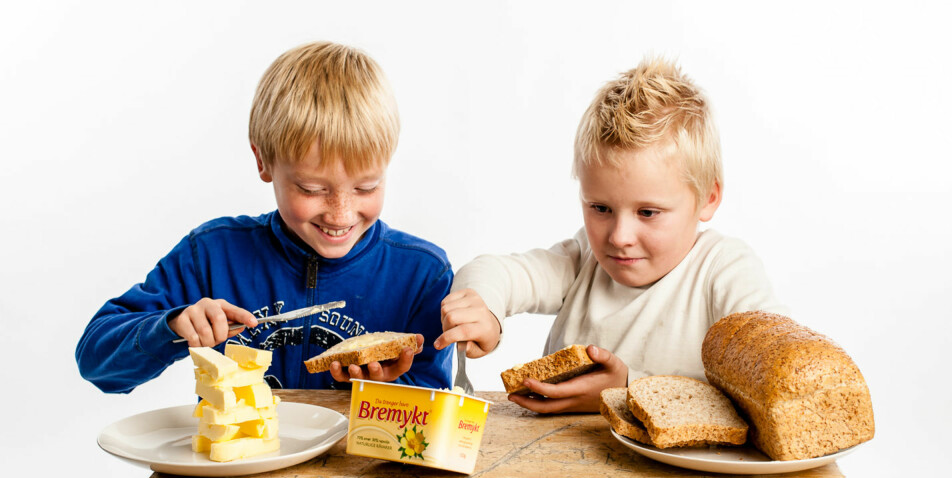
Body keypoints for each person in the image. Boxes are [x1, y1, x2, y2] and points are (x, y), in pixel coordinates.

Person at [77, 41, 453, 393]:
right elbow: (96, 363)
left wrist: (385, 389)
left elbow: (435, 408)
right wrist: (171, 327)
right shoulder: (211, 254)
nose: (341, 213)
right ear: (263, 161)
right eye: (311, 189)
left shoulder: (421, 274)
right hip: (237, 462)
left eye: (366, 187)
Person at [435, 57, 786, 413]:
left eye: (647, 212)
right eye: (600, 208)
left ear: (708, 198)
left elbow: (772, 373)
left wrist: (628, 388)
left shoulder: (723, 270)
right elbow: (494, 272)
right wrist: (484, 310)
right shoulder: (584, 260)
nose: (619, 236)